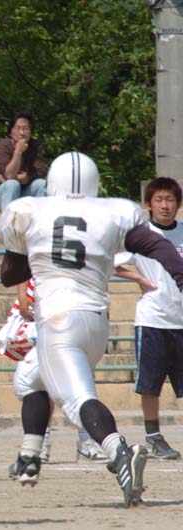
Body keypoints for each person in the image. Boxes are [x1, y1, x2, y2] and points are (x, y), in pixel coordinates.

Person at [0, 151, 183, 507]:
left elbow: (9, 276)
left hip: (58, 322)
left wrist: (32, 253)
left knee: (78, 399)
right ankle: (29, 455)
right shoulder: (111, 212)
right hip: (95, 322)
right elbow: (157, 245)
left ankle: (119, 452)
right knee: (29, 378)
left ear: (52, 183)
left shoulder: (30, 211)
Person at [0, 278, 108, 489]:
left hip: (79, 302)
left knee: (78, 375)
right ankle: (41, 444)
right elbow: (21, 263)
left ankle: (85, 442)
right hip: (49, 302)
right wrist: (22, 294)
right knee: (40, 377)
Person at [113, 176, 183, 460]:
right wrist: (138, 278)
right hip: (153, 319)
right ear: (149, 205)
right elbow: (111, 263)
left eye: (170, 200)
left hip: (181, 319)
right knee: (150, 384)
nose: (165, 205)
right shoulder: (140, 235)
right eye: (159, 200)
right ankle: (154, 436)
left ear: (178, 204)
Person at [0, 112, 47, 211]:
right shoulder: (3, 145)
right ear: (11, 131)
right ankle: (8, 220)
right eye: (17, 128)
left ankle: (38, 218)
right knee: (12, 184)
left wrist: (27, 178)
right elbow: (9, 175)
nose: (22, 133)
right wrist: (18, 151)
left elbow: (41, 171)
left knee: (41, 184)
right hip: (0, 194)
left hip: (22, 193)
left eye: (26, 128)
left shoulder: (35, 146)